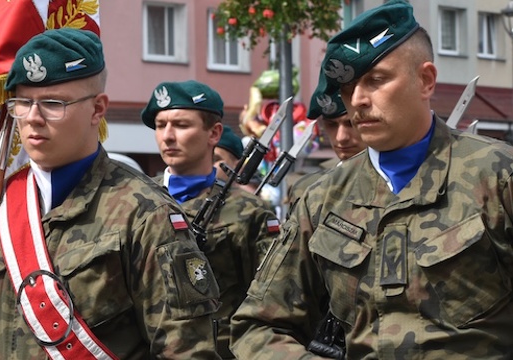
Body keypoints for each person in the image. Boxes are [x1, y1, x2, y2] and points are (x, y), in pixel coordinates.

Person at [0, 29, 221, 359]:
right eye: (22, 103)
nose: (32, 118)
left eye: (52, 104)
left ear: (97, 109)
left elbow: (185, 350)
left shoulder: (144, 213)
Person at [231, 1, 513, 358]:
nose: (358, 100)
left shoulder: (497, 176)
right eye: (347, 88)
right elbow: (257, 325)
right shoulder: (324, 198)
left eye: (376, 80)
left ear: (425, 80)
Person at [141, 80, 279, 359]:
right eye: (160, 125)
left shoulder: (249, 211)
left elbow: (273, 303)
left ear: (214, 133)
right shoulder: (136, 200)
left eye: (180, 125)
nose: (167, 136)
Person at [286, 81, 366, 207]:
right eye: (331, 125)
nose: (341, 137)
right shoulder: (307, 189)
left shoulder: (396, 181)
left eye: (350, 123)